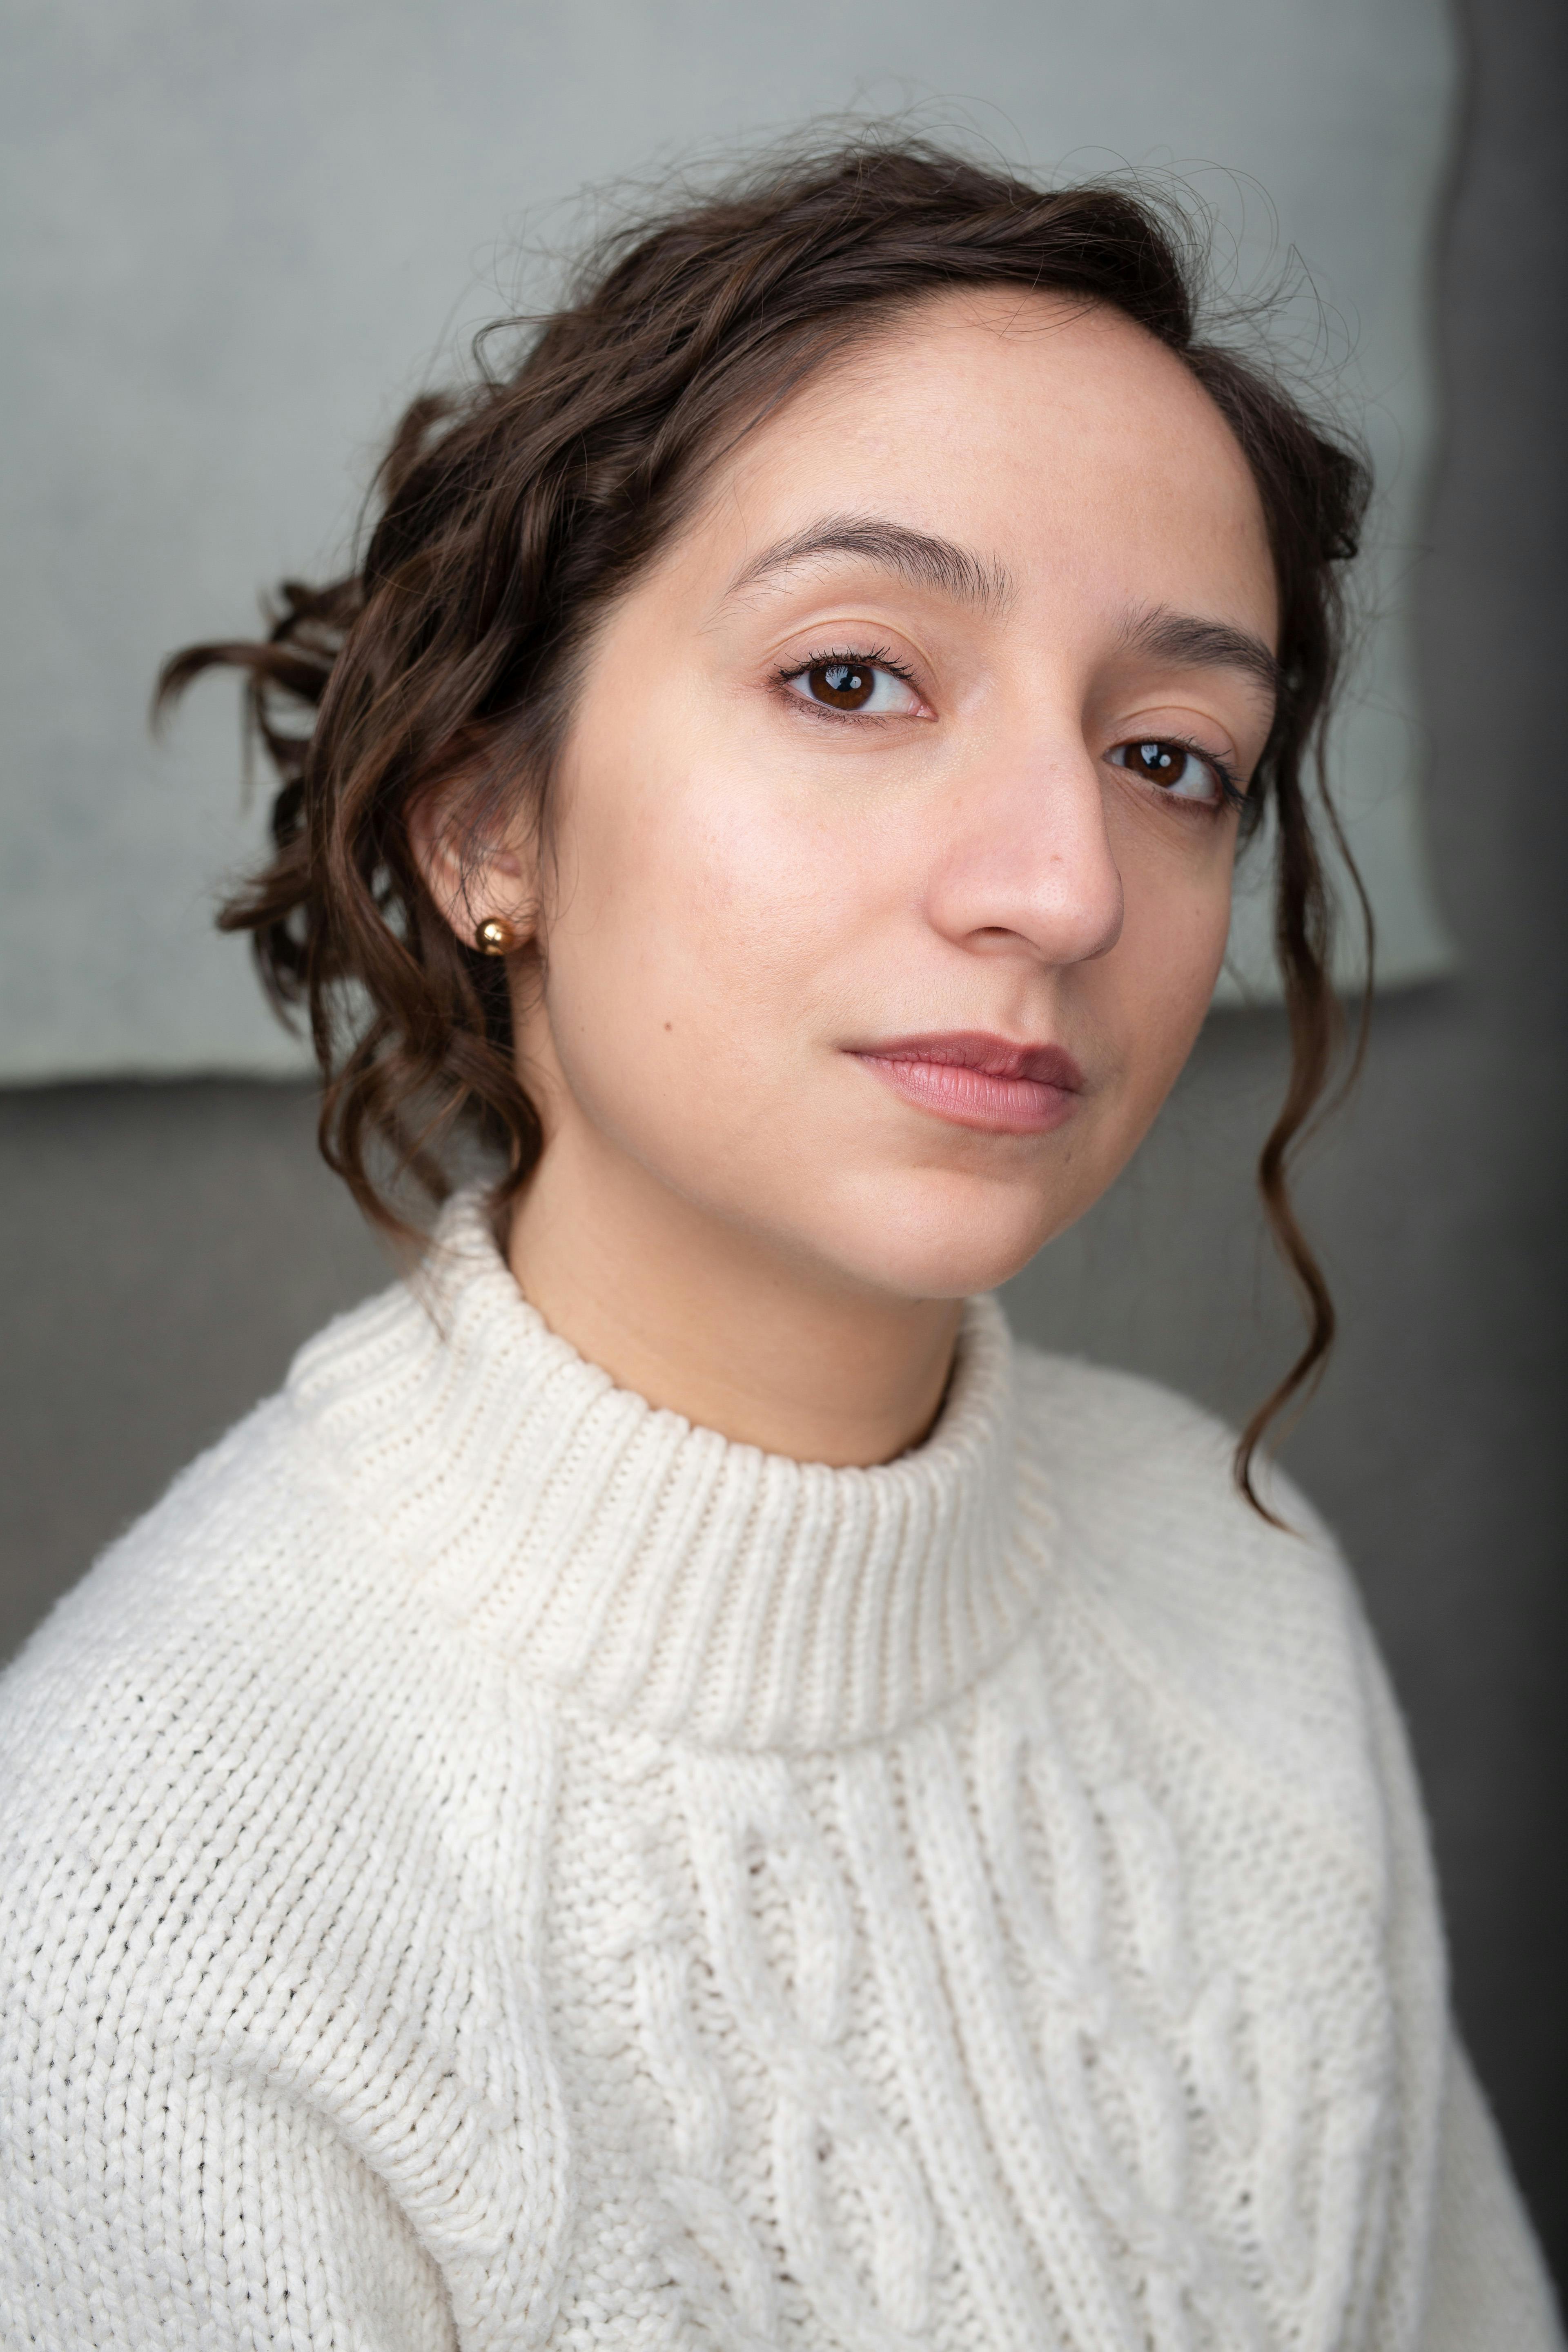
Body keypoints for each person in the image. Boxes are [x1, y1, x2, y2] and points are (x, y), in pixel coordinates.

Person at [0, 138, 1558, 2351]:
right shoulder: (144, 1902)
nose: (1063, 885)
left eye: (1168, 751)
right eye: (853, 678)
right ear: (485, 821)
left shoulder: (1244, 1596)